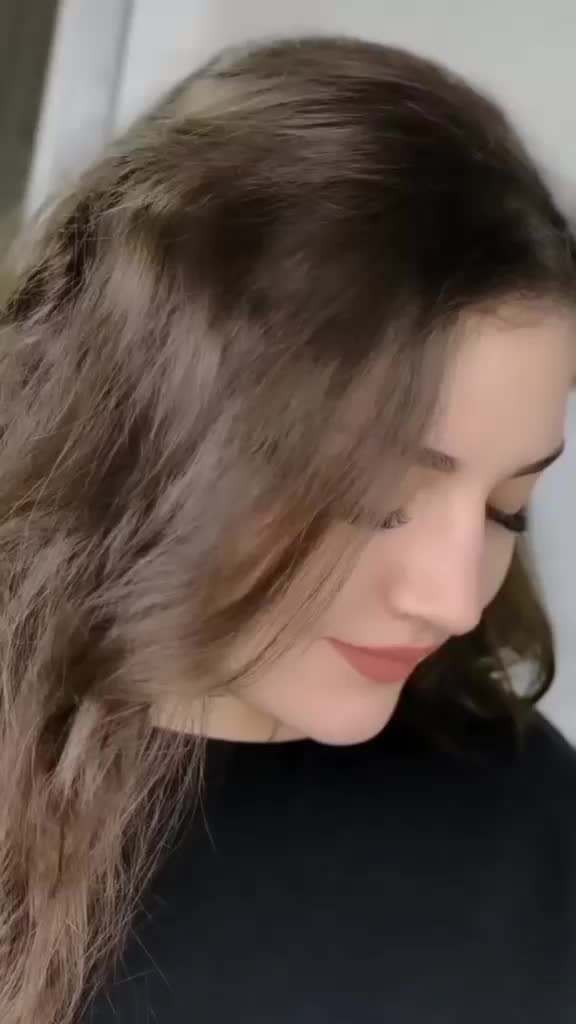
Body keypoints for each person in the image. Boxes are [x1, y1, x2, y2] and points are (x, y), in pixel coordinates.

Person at [0, 33, 575, 1024]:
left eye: (506, 506)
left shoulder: (532, 848)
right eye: (374, 494)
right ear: (154, 428)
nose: (454, 598)